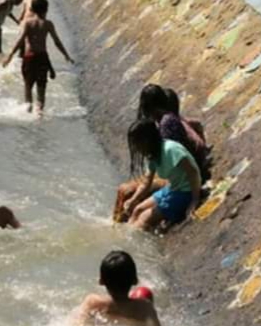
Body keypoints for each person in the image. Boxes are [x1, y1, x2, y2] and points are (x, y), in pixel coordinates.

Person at [114, 85, 209, 223]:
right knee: (128, 196)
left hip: (183, 181)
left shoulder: (166, 128)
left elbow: (185, 164)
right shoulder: (164, 124)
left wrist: (194, 199)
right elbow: (197, 126)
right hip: (176, 177)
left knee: (126, 191)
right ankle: (118, 225)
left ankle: (122, 221)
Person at [123, 119, 202, 231]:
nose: (137, 149)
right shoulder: (154, 155)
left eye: (137, 144)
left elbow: (193, 172)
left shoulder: (171, 150)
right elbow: (146, 183)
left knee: (144, 219)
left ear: (147, 139)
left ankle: (134, 235)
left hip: (186, 192)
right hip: (172, 189)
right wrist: (133, 200)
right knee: (137, 210)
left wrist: (194, 201)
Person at [3, 0, 74, 116]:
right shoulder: (48, 24)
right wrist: (66, 55)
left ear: (32, 9)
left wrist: (10, 55)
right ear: (46, 9)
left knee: (28, 86)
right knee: (41, 88)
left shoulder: (28, 23)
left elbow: (20, 40)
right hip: (42, 57)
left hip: (29, 57)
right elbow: (57, 41)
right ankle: (40, 113)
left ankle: (28, 109)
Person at [76, 251, 161, 326]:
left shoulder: (93, 303)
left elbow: (77, 323)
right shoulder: (145, 307)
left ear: (101, 281)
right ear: (135, 280)